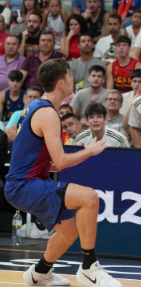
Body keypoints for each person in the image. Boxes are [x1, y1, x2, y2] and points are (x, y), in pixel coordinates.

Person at [5, 58, 122, 287]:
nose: (72, 79)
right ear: (60, 83)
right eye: (69, 76)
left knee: (69, 230)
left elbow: (52, 164)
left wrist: (81, 154)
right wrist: (89, 151)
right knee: (89, 197)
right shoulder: (48, 114)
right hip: (24, 185)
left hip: (27, 182)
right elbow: (61, 161)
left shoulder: (36, 107)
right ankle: (89, 268)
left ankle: (39, 273)